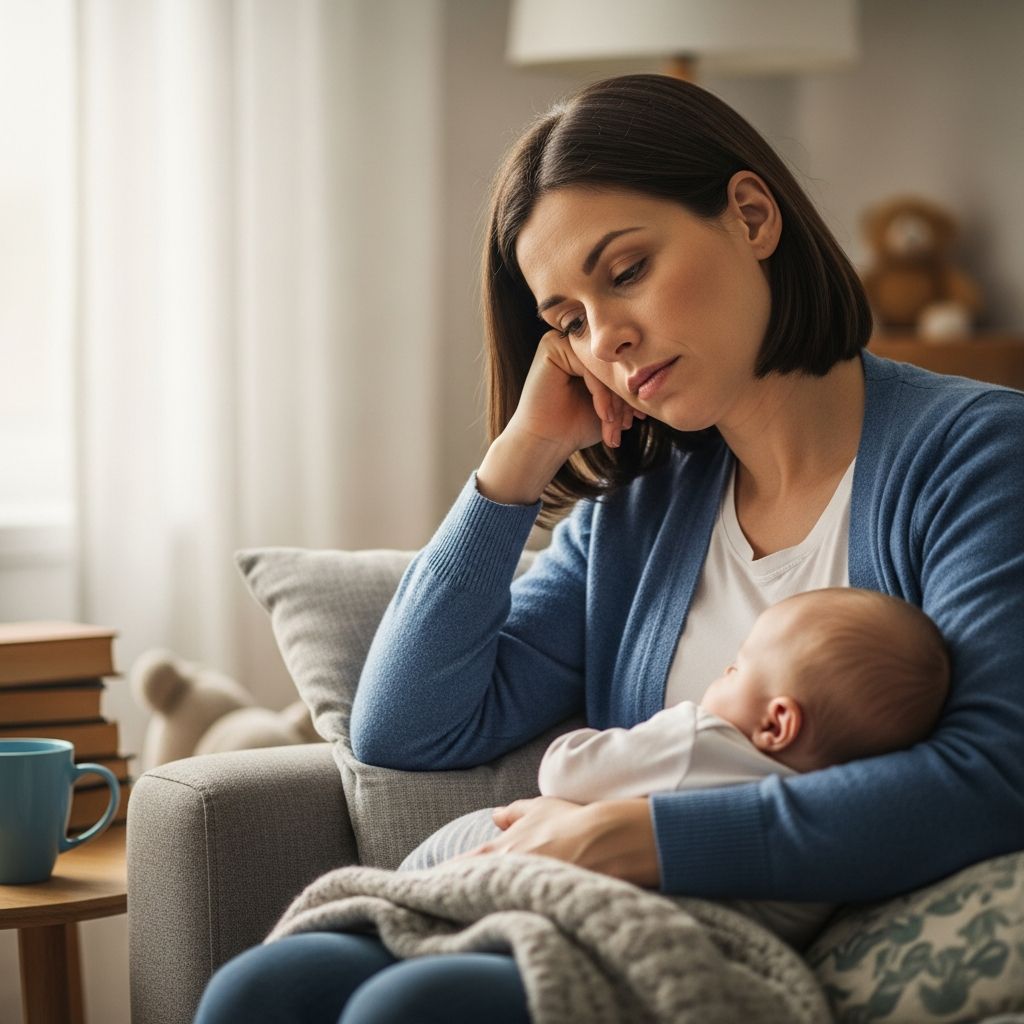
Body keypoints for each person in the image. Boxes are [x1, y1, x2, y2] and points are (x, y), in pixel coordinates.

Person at [193, 73, 1024, 1024]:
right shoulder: (638, 517)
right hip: (573, 913)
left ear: (751, 215)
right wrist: (520, 456)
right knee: (262, 987)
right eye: (567, 320)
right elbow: (406, 727)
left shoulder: (977, 455)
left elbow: (996, 776)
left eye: (625, 272)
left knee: (414, 1010)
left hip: (723, 944)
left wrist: (643, 837)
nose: (609, 338)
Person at [401, 586, 950, 948]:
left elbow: (563, 773)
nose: (719, 678)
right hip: (689, 953)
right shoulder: (828, 843)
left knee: (439, 867)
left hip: (584, 919)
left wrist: (587, 754)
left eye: (735, 670)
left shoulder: (699, 742)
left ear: (777, 723)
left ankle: (397, 901)